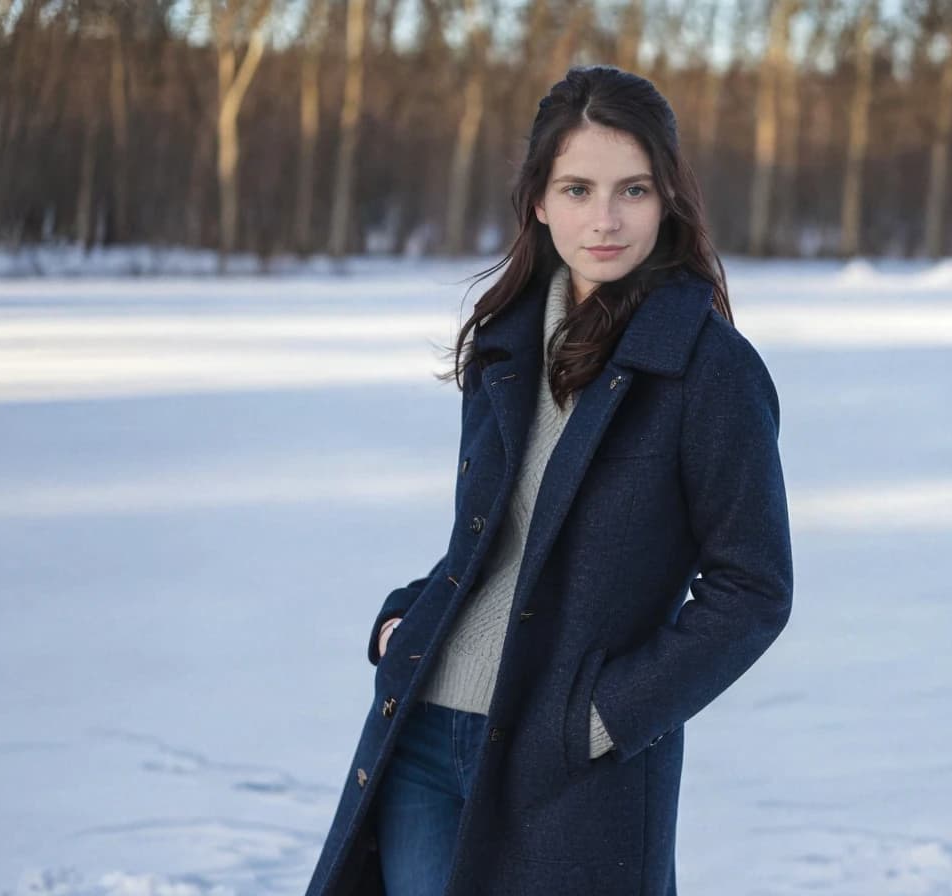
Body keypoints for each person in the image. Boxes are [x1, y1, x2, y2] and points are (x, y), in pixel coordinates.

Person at [305, 64, 793, 896]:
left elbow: (753, 588)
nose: (604, 219)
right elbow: (502, 541)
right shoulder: (504, 345)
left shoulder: (710, 369)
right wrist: (406, 617)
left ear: (669, 197)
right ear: (538, 199)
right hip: (422, 734)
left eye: (632, 190)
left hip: (565, 767)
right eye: (578, 189)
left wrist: (603, 719)